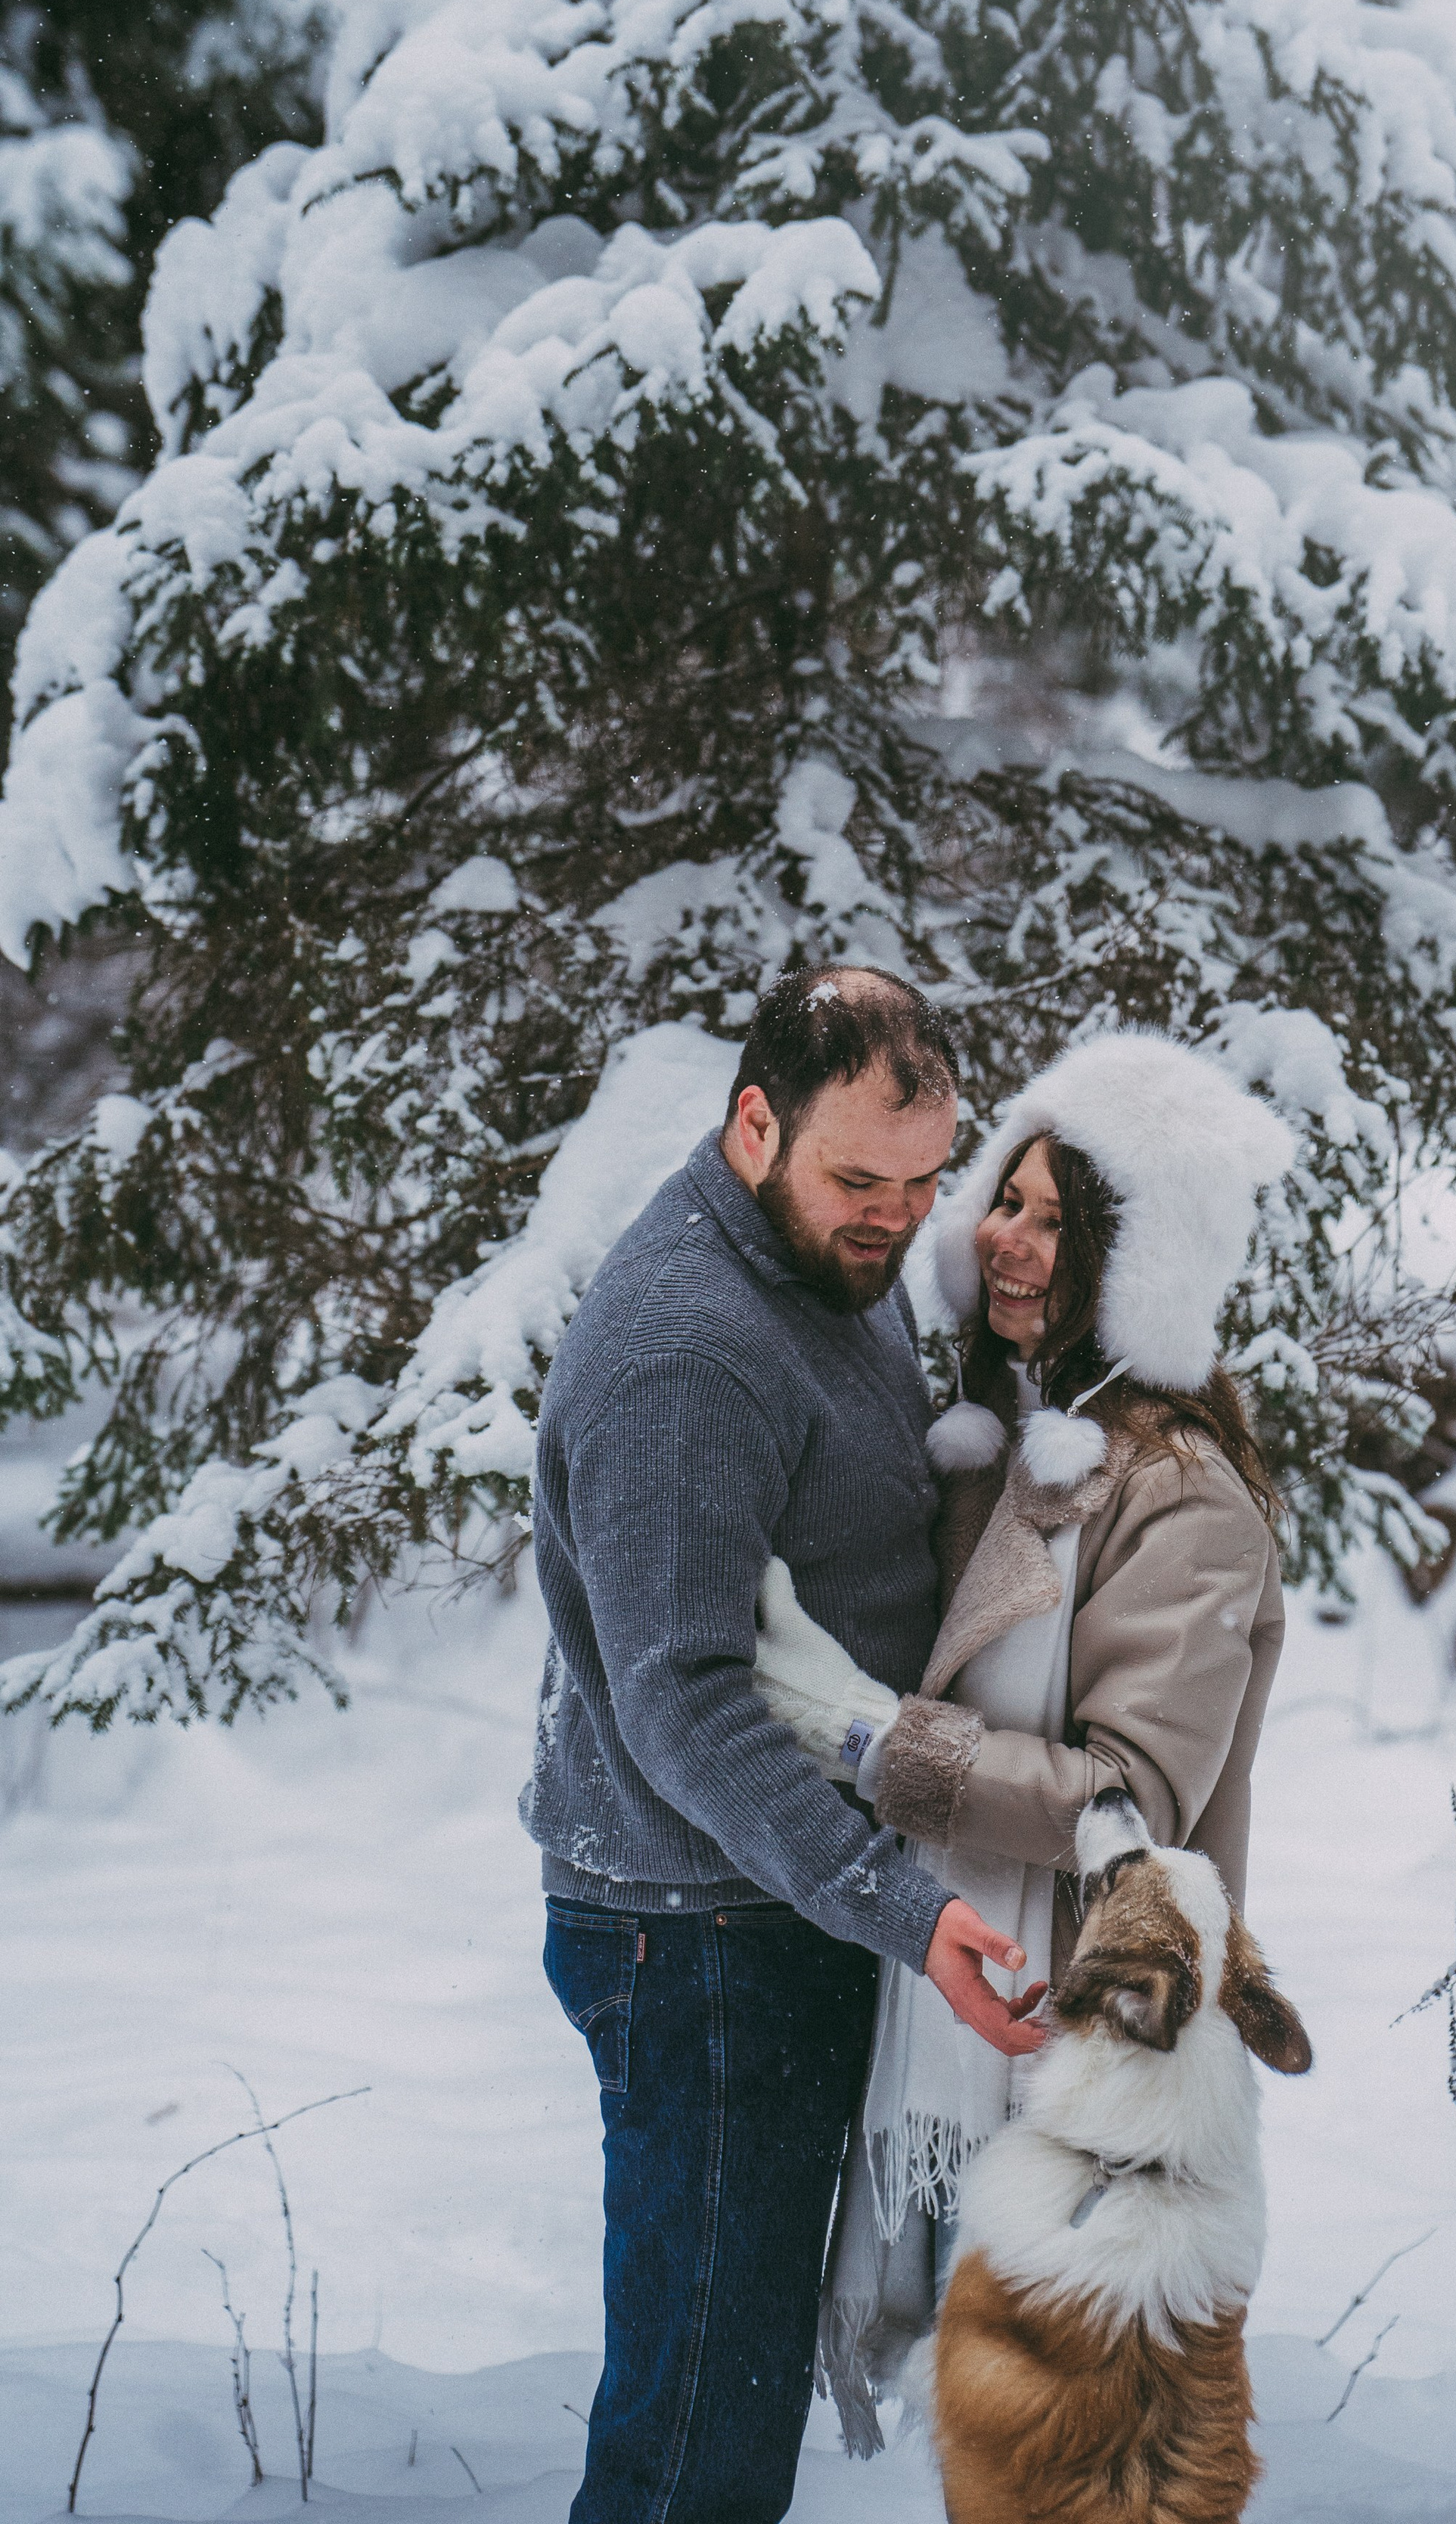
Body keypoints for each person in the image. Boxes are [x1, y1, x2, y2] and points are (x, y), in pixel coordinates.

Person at [521, 964, 1043, 2524]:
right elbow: (681, 1705)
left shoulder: (822, 1265)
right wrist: (895, 1897)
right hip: (698, 1944)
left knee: (727, 2408)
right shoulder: (687, 1350)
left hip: (772, 1907)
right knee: (697, 2433)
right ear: (755, 1125)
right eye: (856, 1179)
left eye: (923, 1179)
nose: (895, 1219)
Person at [750, 1026, 1296, 2445]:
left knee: (1051, 2446)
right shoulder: (1008, 1440)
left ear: (1146, 1262)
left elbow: (1130, 1800)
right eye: (1010, 1198)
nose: (1014, 1242)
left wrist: (878, 1742)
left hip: (1084, 2064)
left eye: (1064, 1224)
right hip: (962, 2000)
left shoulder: (1184, 1494)